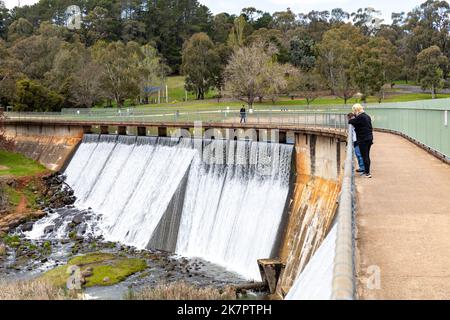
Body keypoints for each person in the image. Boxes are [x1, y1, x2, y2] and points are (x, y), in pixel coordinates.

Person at [349, 104, 374, 178]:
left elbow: (350, 121)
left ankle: (367, 173)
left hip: (363, 139)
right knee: (367, 156)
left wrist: (353, 116)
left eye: (353, 111)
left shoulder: (360, 117)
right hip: (369, 138)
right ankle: (367, 171)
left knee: (364, 156)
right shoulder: (367, 116)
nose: (353, 112)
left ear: (356, 110)